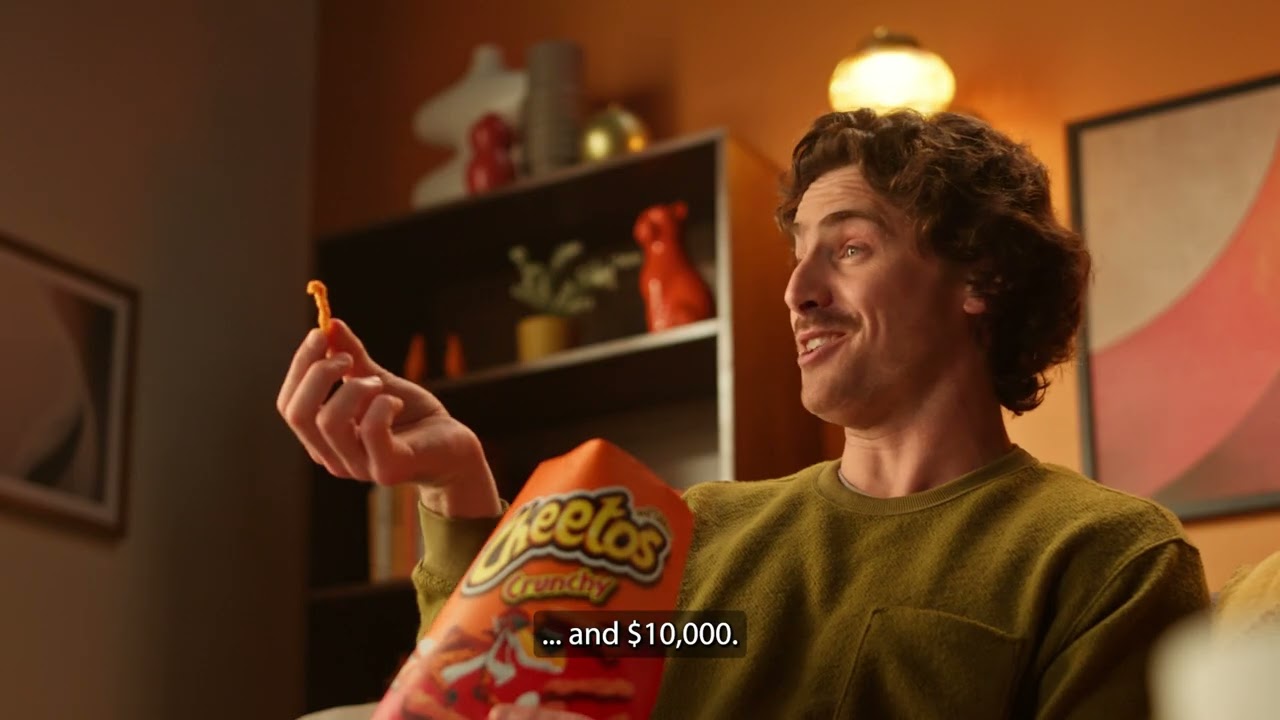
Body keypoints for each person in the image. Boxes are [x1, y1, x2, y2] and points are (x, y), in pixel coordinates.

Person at [278, 109, 1211, 719]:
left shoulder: (1101, 556)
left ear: (983, 278)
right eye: (798, 254)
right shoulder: (691, 539)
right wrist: (454, 485)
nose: (797, 291)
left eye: (850, 247)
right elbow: (511, 678)